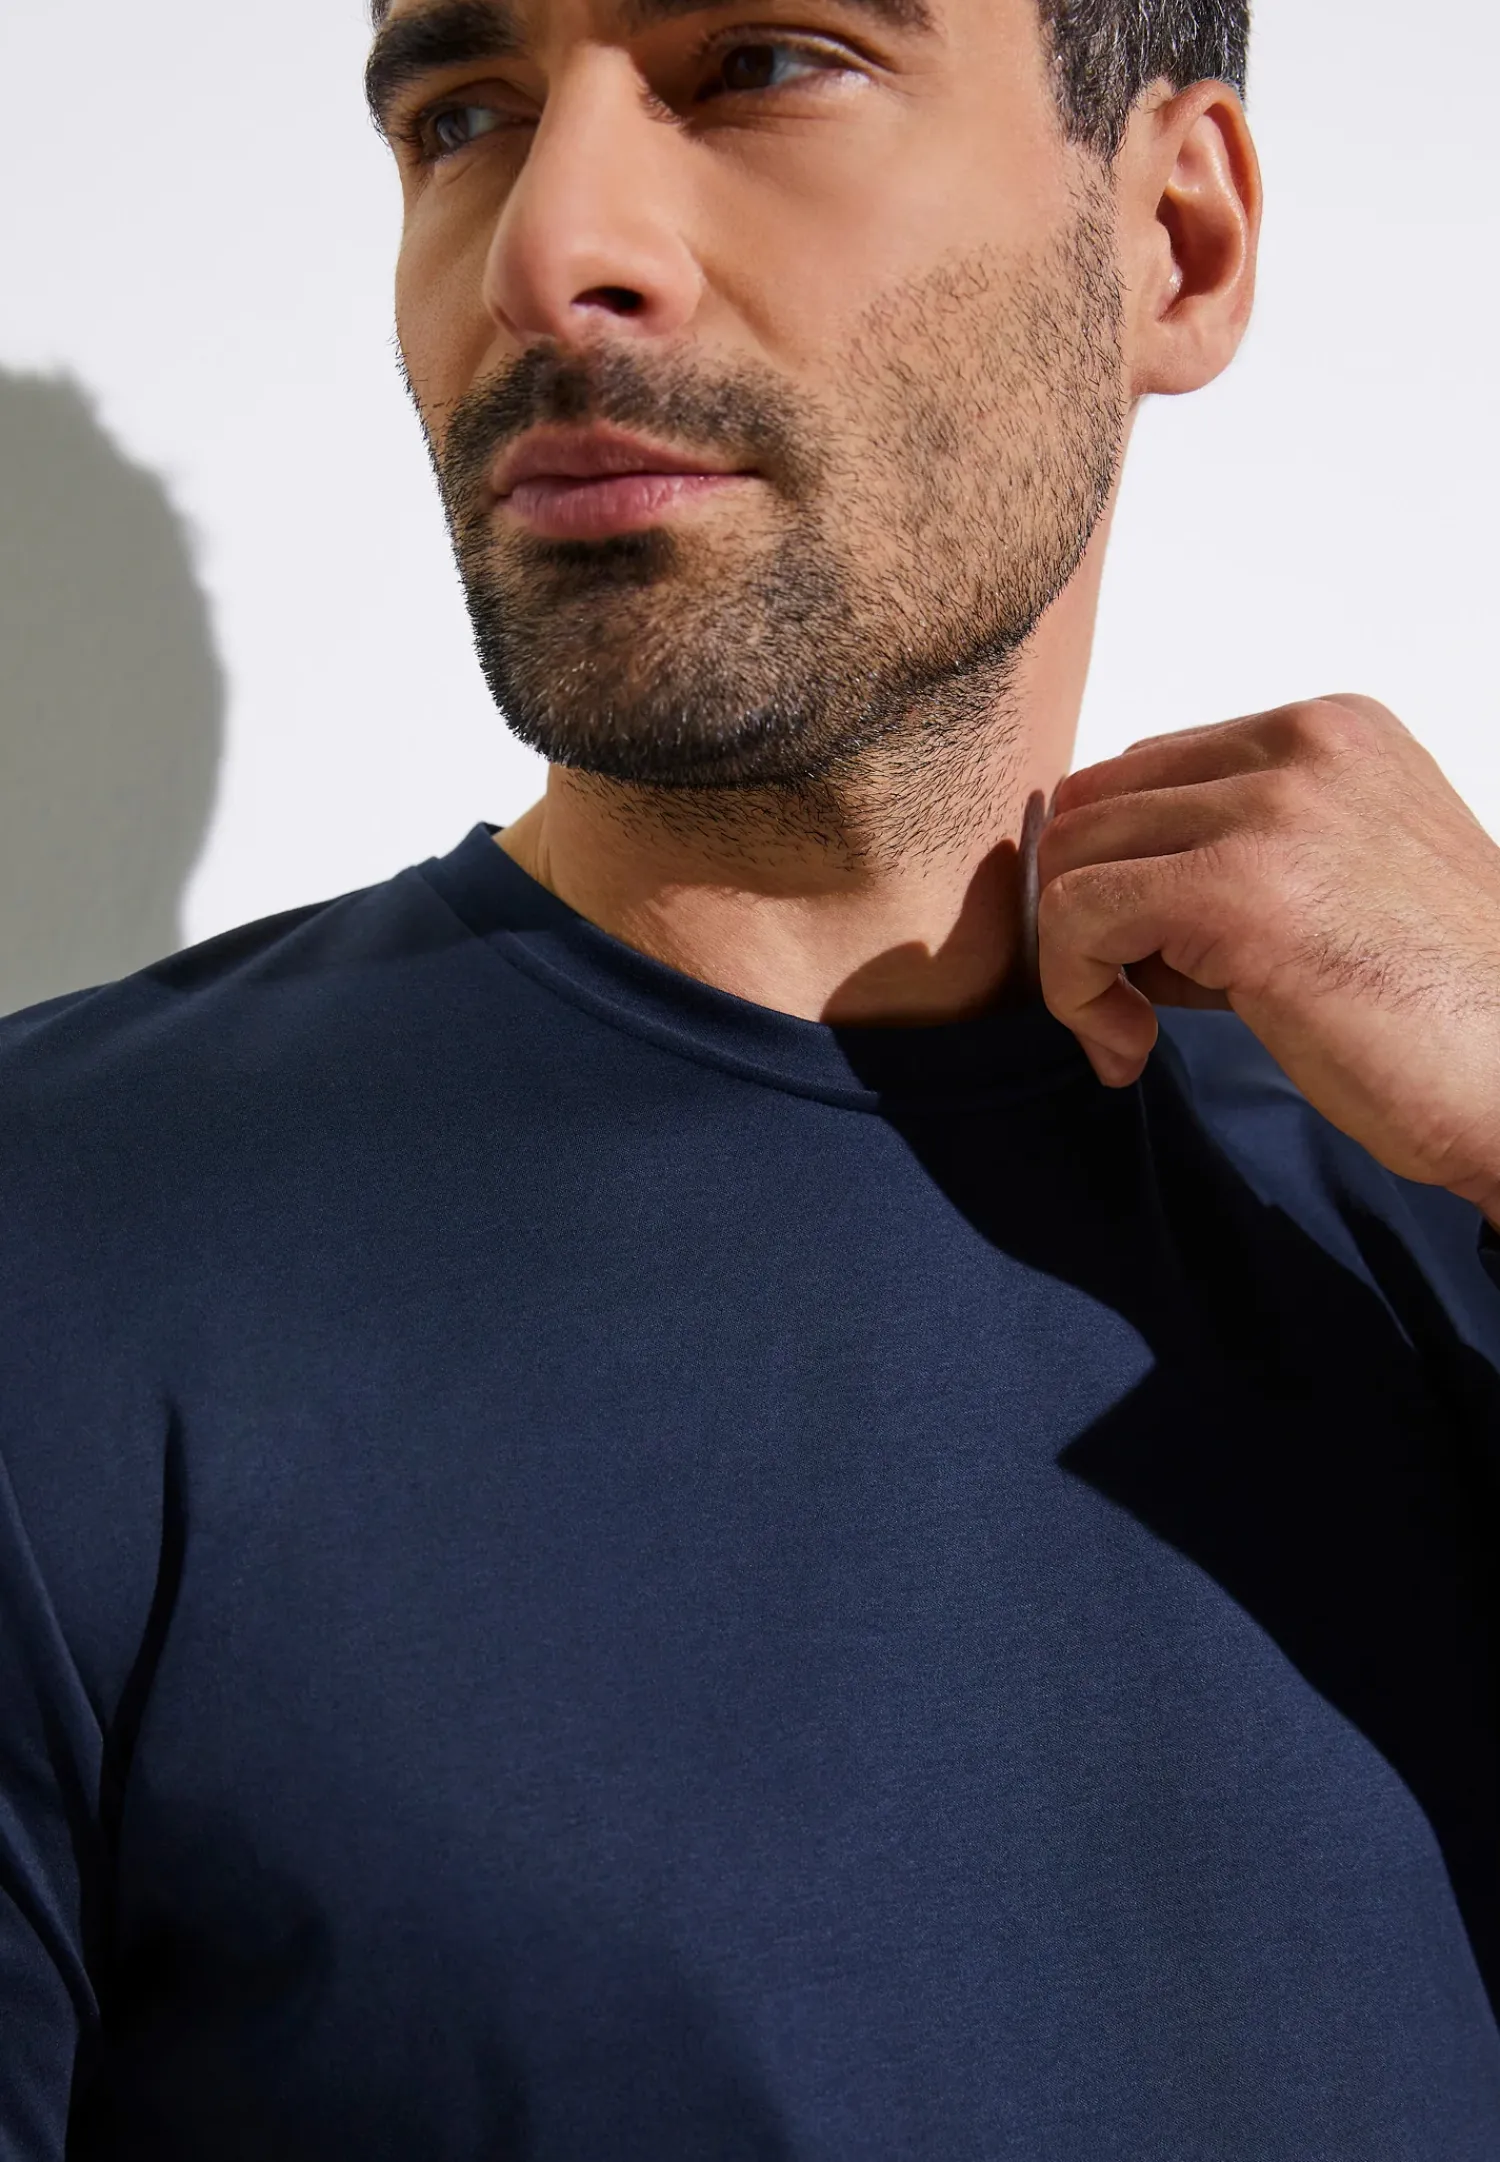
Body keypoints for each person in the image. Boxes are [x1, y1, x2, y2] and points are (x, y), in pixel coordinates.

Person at [3, 0, 1500, 2150]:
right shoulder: (53, 1256)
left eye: (766, 64)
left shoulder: (1440, 1195)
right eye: (464, 115)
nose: (550, 249)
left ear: (1175, 238)